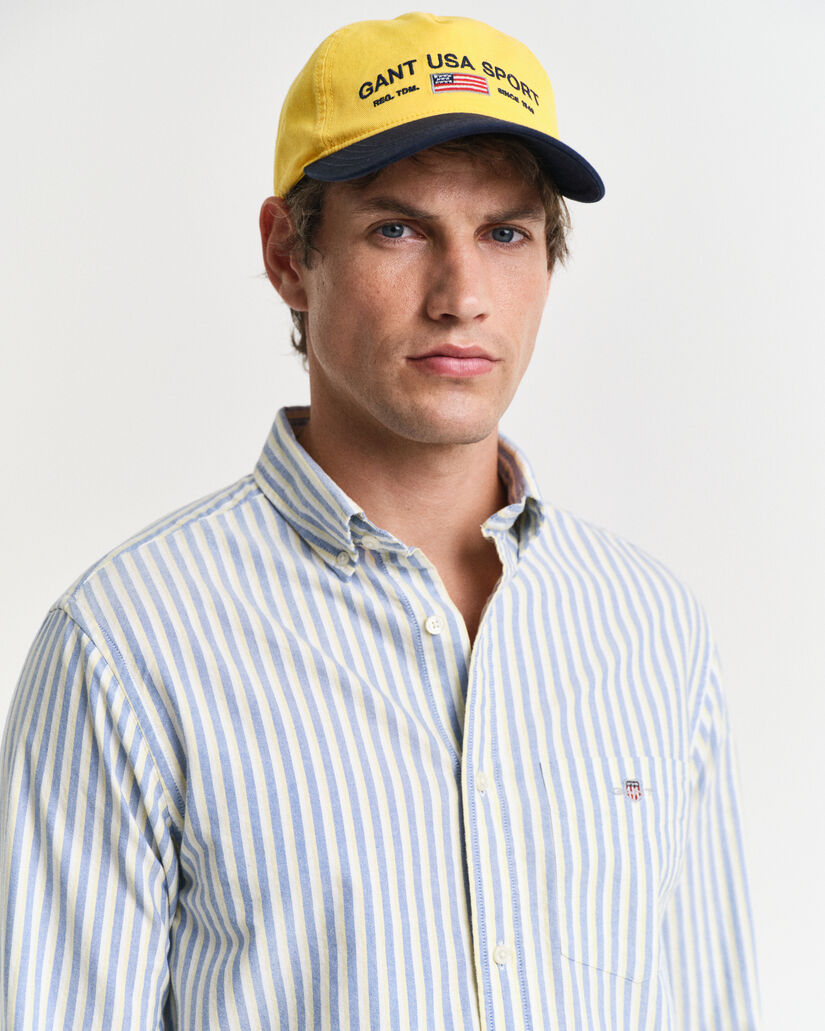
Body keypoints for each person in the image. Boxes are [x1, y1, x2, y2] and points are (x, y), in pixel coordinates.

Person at [0, 11, 760, 1030]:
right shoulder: (127, 644)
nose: (462, 296)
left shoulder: (650, 628)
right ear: (288, 255)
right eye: (399, 229)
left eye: (505, 233)